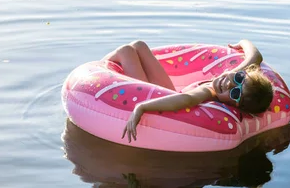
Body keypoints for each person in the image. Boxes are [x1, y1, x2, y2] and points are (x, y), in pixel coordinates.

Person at [102, 40, 274, 143]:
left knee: (126, 52)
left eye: (235, 93)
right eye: (238, 78)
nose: (228, 84)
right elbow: (255, 57)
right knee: (139, 45)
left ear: (233, 104)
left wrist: (141, 108)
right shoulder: (230, 77)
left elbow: (186, 99)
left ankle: (101, 70)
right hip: (170, 90)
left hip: (162, 96)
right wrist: (241, 43)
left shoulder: (209, 93)